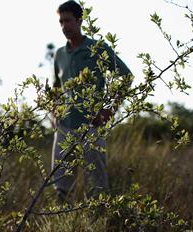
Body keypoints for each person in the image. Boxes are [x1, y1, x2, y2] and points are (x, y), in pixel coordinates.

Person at [51, 1, 132, 203]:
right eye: (61, 21)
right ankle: (63, 225)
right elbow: (56, 88)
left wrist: (110, 110)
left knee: (96, 185)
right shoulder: (59, 54)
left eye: (68, 20)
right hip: (64, 128)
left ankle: (98, 228)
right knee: (61, 185)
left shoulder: (97, 48)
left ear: (80, 20)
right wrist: (54, 112)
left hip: (92, 126)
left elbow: (126, 77)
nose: (64, 26)